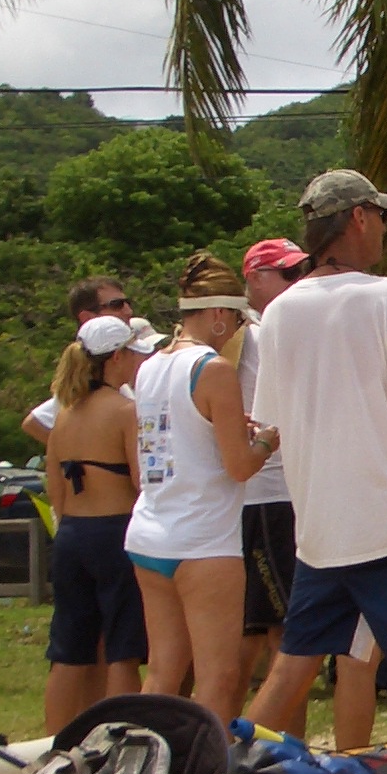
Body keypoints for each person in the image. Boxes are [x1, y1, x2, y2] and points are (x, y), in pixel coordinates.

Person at [245, 170, 387, 769]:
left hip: (321, 526)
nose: (385, 231)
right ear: (359, 218)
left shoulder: (278, 314)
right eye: (382, 217)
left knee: (293, 664)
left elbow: (271, 421)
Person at [126, 254, 277, 721]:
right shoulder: (214, 369)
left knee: (163, 670)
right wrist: (269, 441)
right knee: (218, 675)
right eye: (233, 319)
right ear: (217, 314)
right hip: (205, 540)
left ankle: (148, 766)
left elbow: (168, 440)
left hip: (151, 531)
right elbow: (239, 467)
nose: (234, 329)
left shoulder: (150, 366)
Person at [44, 315, 148, 730]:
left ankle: (54, 742)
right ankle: (120, 738)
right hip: (114, 532)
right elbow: (142, 480)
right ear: (117, 356)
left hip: (71, 534)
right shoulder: (125, 411)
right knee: (123, 650)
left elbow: (55, 489)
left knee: (69, 651)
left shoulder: (65, 416)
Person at [238, 237, 309, 714]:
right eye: (287, 274)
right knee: (286, 631)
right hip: (269, 494)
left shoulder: (267, 330)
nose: (297, 282)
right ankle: (281, 743)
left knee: (255, 632)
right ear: (255, 279)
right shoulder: (253, 333)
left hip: (279, 491)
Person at [23, 276, 132, 448]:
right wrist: (81, 458)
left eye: (128, 303)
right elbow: (34, 423)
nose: (128, 311)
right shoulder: (85, 383)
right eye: (116, 305)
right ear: (87, 317)